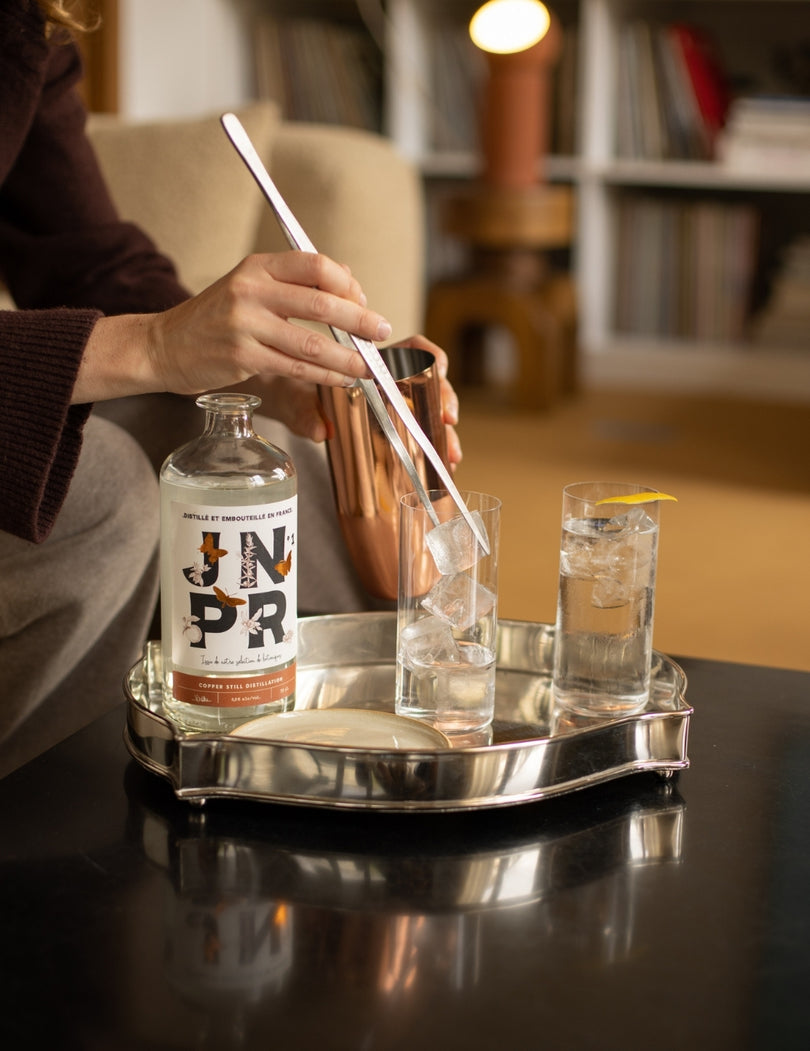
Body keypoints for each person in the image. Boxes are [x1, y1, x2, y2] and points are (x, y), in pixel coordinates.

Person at [0, 0, 461, 776]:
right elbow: (140, 338)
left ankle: (372, 764)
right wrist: (154, 346)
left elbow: (85, 259)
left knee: (267, 452)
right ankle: (59, 810)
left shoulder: (26, 23)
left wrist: (268, 369)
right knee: (105, 485)